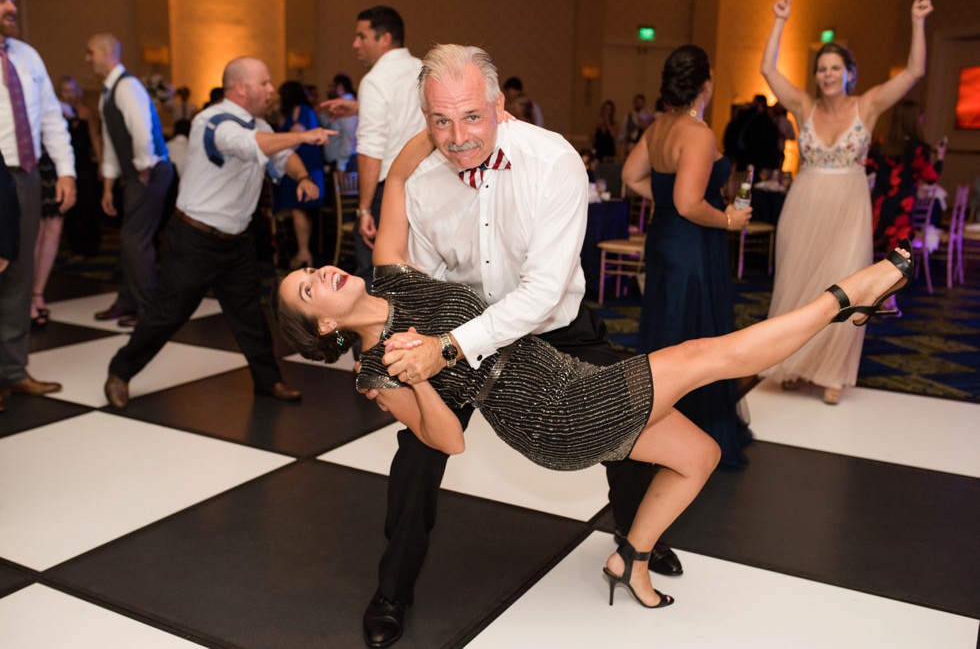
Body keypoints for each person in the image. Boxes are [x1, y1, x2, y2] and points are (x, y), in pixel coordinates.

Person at [274, 218, 913, 615]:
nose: (319, 272)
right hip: (553, 416)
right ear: (325, 325)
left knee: (700, 456)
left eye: (309, 270)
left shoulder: (397, 284)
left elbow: (403, 182)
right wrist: (425, 377)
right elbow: (447, 442)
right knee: (704, 357)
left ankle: (628, 559)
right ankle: (849, 297)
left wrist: (440, 120)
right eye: (309, 289)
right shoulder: (376, 373)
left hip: (569, 376)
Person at [344, 44, 678, 648]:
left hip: (553, 323)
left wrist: (447, 347)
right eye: (440, 120)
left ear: (500, 105)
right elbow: (420, 279)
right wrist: (403, 353)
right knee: (418, 454)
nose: (457, 136)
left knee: (631, 415)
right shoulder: (419, 182)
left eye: (471, 116)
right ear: (425, 118)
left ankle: (636, 539)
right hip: (461, 326)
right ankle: (392, 589)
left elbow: (544, 292)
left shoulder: (552, 161)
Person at [102, 56, 333, 410]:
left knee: (250, 316)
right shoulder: (211, 121)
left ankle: (268, 381)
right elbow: (249, 145)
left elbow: (283, 157)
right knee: (168, 315)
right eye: (264, 83)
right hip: (195, 239)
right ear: (240, 87)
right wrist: (305, 134)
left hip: (237, 242)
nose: (271, 89)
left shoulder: (259, 125)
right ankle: (120, 371)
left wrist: (302, 177)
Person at [761, 0, 932, 405]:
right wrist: (780, 21)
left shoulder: (867, 105)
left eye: (835, 68)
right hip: (803, 207)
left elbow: (915, 70)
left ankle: (832, 372)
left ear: (849, 74)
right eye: (822, 68)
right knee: (797, 288)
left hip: (849, 209)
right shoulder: (803, 105)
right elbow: (767, 69)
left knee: (848, 286)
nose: (827, 74)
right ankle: (792, 363)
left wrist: (916, 20)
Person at [623, 45, 754, 470]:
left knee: (668, 333)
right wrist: (730, 220)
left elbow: (630, 176)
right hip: (692, 244)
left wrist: (661, 199)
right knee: (694, 338)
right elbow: (688, 203)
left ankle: (661, 426)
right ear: (705, 85)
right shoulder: (697, 133)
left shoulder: (658, 127)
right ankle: (696, 431)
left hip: (664, 241)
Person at [0, 0, 76, 410]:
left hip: (25, 177)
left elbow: (50, 117)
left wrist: (65, 171)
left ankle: (12, 371)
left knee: (19, 272)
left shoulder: (27, 56)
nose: (11, 6)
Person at [321, 6, 425, 291]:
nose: (355, 44)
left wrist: (364, 209)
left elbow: (370, 150)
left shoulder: (375, 80)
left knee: (375, 273)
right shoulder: (423, 70)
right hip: (426, 188)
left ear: (385, 38)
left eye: (361, 36)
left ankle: (370, 335)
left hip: (387, 193)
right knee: (415, 270)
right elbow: (409, 111)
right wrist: (359, 107)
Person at [86, 33, 175, 328]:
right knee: (130, 238)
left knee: (135, 239)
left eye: (90, 53)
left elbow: (142, 129)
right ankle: (127, 301)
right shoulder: (107, 93)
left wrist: (143, 169)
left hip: (151, 170)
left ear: (104, 52)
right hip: (137, 172)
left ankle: (149, 310)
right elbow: (112, 143)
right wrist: (109, 185)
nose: (87, 59)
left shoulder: (129, 87)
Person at [867, 100, 945, 254]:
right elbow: (931, 177)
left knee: (873, 255)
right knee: (897, 259)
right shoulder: (917, 149)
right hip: (902, 209)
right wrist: (940, 158)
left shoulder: (880, 145)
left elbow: (867, 169)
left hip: (879, 207)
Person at [274, 80, 325, 269]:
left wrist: (277, 150)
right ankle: (305, 252)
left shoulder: (300, 110)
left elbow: (295, 138)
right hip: (311, 165)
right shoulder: (303, 109)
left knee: (298, 209)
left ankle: (303, 252)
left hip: (304, 166)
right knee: (303, 210)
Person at [57, 75, 102, 262]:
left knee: (89, 205)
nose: (69, 94)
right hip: (66, 166)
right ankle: (76, 248)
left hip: (84, 164)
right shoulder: (56, 112)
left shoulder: (87, 112)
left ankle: (91, 247)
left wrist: (101, 162)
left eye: (72, 90)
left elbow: (94, 138)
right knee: (70, 210)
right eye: (65, 90)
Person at [321, 73, 357, 174]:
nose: (329, 90)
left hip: (345, 163)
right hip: (342, 161)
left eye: (331, 86)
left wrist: (342, 163)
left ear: (340, 87)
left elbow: (350, 135)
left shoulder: (347, 104)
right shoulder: (343, 104)